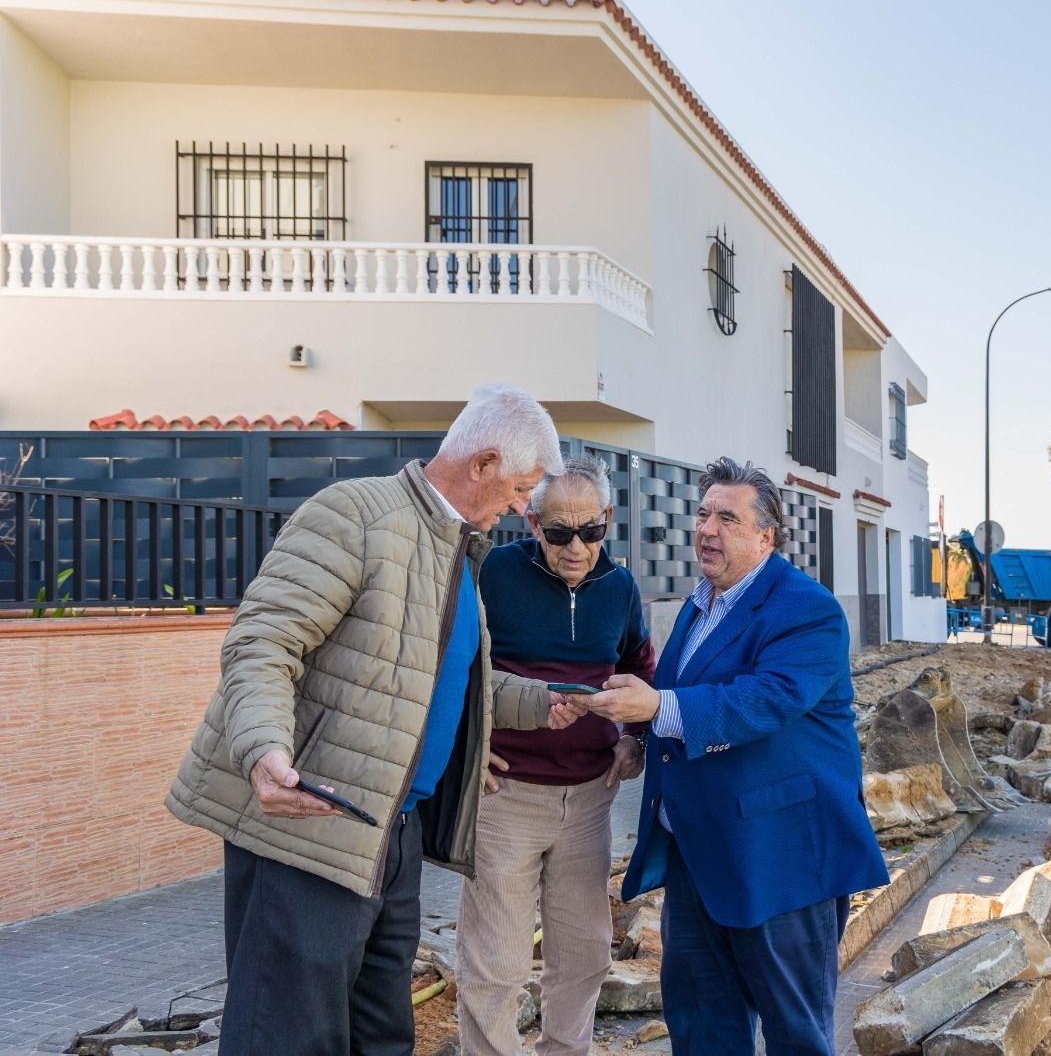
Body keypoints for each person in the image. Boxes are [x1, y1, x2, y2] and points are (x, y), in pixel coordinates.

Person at [165, 384, 581, 1056]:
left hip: (393, 836)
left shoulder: (453, 549)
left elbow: (433, 681)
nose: (517, 509)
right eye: (518, 488)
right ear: (483, 464)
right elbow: (264, 641)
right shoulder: (353, 515)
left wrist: (545, 702)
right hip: (311, 826)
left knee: (380, 1035)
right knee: (288, 1036)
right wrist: (263, 747)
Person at [584, 457, 889, 1056]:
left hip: (782, 859)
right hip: (699, 855)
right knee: (702, 1029)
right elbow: (686, 692)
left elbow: (766, 700)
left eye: (728, 517)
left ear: (766, 536)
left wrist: (657, 711)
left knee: (794, 1033)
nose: (707, 529)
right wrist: (640, 740)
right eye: (702, 514)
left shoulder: (807, 609)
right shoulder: (702, 604)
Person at [456, 454, 655, 1056]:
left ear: (608, 520)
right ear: (533, 523)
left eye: (590, 532)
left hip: (591, 796)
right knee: (496, 961)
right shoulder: (491, 572)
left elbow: (638, 670)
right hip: (506, 795)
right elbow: (452, 669)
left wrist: (634, 740)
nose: (576, 548)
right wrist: (468, 750)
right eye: (559, 533)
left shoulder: (619, 587)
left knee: (585, 952)